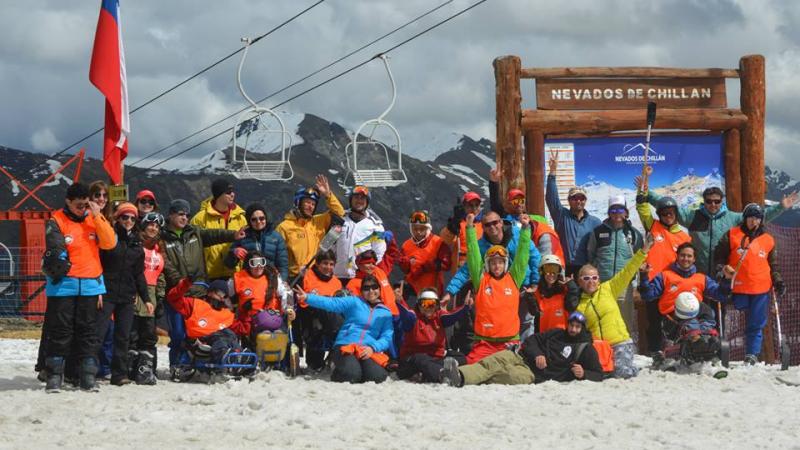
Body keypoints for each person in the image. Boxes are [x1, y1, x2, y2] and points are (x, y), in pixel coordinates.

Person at [636, 168, 798, 274]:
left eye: (716, 201)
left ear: (722, 202)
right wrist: (646, 192)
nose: (713, 204)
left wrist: (780, 207)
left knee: (720, 314)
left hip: (722, 273)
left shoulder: (732, 218)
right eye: (709, 201)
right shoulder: (693, 216)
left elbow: (756, 219)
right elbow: (668, 206)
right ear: (704, 201)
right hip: (696, 273)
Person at [40, 182, 117, 392]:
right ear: (67, 202)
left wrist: (98, 215)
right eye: (78, 205)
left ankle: (87, 377)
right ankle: (55, 375)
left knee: (88, 332)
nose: (82, 209)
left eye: (85, 204)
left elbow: (110, 243)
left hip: (91, 285)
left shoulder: (93, 219)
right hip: (64, 285)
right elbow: (56, 249)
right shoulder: (56, 220)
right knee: (61, 331)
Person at [442, 211, 540, 354]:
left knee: (525, 324)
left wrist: (535, 283)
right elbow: (470, 265)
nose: (492, 227)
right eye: (487, 225)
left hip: (520, 284)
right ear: (483, 227)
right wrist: (450, 292)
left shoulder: (517, 235)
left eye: (495, 222)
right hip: (493, 287)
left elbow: (527, 256)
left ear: (501, 222)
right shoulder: (482, 246)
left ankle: (526, 356)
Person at [161, 199, 243, 371]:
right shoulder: (163, 238)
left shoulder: (194, 233)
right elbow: (166, 264)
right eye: (181, 214)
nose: (185, 218)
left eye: (187, 215)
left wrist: (233, 235)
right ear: (171, 215)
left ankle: (197, 362)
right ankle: (177, 364)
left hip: (199, 292)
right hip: (177, 293)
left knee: (199, 330)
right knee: (178, 332)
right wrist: (180, 282)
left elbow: (214, 235)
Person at [569, 234, 654, 379]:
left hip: (619, 343)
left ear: (599, 279)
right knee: (602, 375)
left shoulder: (608, 288)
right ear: (579, 282)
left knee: (621, 374)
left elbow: (628, 270)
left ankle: (635, 364)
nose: (591, 281)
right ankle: (631, 361)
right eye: (586, 278)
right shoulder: (580, 305)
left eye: (594, 278)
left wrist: (644, 250)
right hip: (599, 347)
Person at [441, 311, 602, 387]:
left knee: (505, 375)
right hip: (520, 356)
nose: (573, 329)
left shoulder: (585, 349)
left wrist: (584, 373)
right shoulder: (557, 333)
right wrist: (538, 354)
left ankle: (465, 378)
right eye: (571, 325)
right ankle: (459, 375)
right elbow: (532, 340)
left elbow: (599, 374)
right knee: (492, 361)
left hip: (533, 374)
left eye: (577, 327)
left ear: (583, 328)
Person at [639, 242, 730, 366]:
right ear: (677, 256)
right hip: (673, 318)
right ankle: (696, 342)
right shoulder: (666, 276)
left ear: (694, 259)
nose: (685, 259)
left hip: (697, 314)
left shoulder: (701, 278)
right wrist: (644, 276)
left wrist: (727, 279)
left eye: (689, 256)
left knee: (706, 311)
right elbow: (648, 295)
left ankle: (707, 341)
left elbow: (720, 295)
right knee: (690, 320)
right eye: (682, 255)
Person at [714, 203, 784, 365]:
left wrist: (778, 280)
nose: (755, 221)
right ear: (745, 219)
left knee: (756, 322)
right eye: (751, 217)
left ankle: (751, 354)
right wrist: (720, 269)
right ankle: (721, 348)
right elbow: (719, 256)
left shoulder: (768, 239)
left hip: (761, 287)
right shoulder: (732, 234)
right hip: (737, 286)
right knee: (741, 311)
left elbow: (773, 265)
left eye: (758, 218)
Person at [294, 275, 394, 384]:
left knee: (377, 377)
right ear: (361, 291)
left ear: (379, 289)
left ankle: (354, 367)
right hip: (346, 346)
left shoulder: (385, 312)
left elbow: (386, 337)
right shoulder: (354, 302)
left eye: (374, 287)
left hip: (366, 350)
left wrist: (373, 348)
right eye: (366, 288)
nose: (370, 291)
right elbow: (331, 303)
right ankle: (337, 368)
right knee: (351, 375)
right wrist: (308, 297)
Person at [463, 212, 531, 364]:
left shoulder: (514, 278)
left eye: (500, 262)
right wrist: (469, 229)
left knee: (515, 374)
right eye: (493, 262)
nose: (497, 265)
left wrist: (526, 229)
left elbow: (522, 255)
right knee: (474, 368)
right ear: (487, 264)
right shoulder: (480, 280)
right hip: (484, 343)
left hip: (510, 343)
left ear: (506, 263)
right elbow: (473, 254)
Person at [96, 202, 152, 386]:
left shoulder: (137, 243)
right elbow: (98, 266)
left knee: (123, 335)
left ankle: (118, 374)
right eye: (124, 217)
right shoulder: (108, 238)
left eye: (132, 218)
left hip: (127, 295)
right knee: (99, 333)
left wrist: (146, 298)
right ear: (118, 218)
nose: (128, 221)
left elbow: (138, 274)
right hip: (107, 292)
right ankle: (90, 369)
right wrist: (97, 290)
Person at [586, 195, 644, 337]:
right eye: (613, 210)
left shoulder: (633, 233)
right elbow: (591, 254)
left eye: (620, 209)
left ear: (626, 212)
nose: (617, 213)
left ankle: (625, 351)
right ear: (608, 212)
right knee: (602, 318)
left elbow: (640, 258)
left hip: (624, 286)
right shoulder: (598, 232)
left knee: (624, 320)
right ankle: (603, 351)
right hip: (603, 285)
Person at [165, 278, 253, 371]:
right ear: (210, 292)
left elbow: (243, 329)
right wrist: (185, 284)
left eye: (224, 296)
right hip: (201, 340)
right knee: (222, 338)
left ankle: (241, 358)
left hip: (223, 337)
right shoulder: (195, 304)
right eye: (220, 293)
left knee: (230, 335)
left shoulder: (226, 313)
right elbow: (173, 298)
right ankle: (227, 358)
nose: (221, 298)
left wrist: (245, 312)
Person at [277, 174, 345, 280]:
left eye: (313, 204)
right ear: (298, 203)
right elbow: (277, 254)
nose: (311, 207)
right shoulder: (284, 227)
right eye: (307, 202)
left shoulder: (318, 221)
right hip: (295, 277)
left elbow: (340, 212)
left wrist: (328, 195)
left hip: (315, 275)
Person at [396, 288, 471, 383]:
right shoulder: (413, 317)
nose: (428, 307)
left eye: (432, 304)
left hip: (435, 358)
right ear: (418, 305)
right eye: (424, 304)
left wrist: (465, 307)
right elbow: (405, 315)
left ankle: (426, 373)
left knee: (460, 357)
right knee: (421, 358)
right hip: (411, 361)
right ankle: (443, 376)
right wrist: (400, 302)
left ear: (436, 305)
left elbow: (452, 316)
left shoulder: (440, 316)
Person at [488, 168, 564, 261]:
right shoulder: (504, 218)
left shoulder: (534, 220)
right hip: (509, 259)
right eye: (515, 200)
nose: (519, 203)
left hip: (528, 259)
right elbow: (495, 202)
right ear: (508, 203)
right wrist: (493, 182)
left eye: (521, 200)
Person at [545, 151, 601, 277]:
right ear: (569, 200)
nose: (578, 201)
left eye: (581, 198)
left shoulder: (595, 222)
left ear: (585, 200)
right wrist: (552, 172)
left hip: (586, 269)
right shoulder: (561, 216)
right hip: (564, 267)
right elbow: (551, 199)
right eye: (575, 198)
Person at [129, 211, 165, 385]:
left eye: (157, 226)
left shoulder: (160, 248)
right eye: (150, 224)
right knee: (132, 333)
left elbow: (161, 276)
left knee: (148, 334)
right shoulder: (136, 244)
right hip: (136, 293)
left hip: (152, 295)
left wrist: (160, 297)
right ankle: (130, 368)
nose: (153, 228)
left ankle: (145, 369)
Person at [190, 178, 247, 281]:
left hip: (235, 274)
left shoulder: (240, 218)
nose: (232, 194)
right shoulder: (199, 219)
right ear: (218, 195)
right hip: (209, 275)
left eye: (233, 191)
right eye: (228, 192)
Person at [298, 250, 344, 371]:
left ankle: (335, 353)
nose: (328, 267)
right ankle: (317, 360)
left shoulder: (337, 282)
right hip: (310, 316)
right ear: (317, 264)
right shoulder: (307, 276)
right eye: (324, 263)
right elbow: (301, 301)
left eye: (331, 264)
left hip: (333, 318)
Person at [332, 185, 386, 281]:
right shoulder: (340, 220)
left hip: (360, 277)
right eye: (356, 197)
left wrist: (367, 268)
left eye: (363, 198)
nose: (359, 200)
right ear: (350, 200)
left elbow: (379, 253)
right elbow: (329, 245)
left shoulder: (377, 226)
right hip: (336, 275)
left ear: (367, 202)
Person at [520, 254, 579, 341]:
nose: (551, 274)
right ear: (542, 271)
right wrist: (529, 297)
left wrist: (572, 286)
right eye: (547, 269)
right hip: (544, 338)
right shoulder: (537, 292)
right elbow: (535, 313)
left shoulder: (565, 290)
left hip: (562, 338)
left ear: (559, 272)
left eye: (554, 270)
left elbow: (572, 306)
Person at [225, 202, 289, 280]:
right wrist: (234, 253)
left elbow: (283, 265)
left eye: (262, 218)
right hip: (249, 281)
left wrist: (281, 282)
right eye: (254, 219)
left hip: (270, 280)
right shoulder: (242, 236)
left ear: (266, 218)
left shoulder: (276, 237)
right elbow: (229, 264)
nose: (258, 222)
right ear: (249, 221)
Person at [399, 210, 451, 299]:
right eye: (415, 229)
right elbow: (405, 269)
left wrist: (426, 267)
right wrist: (405, 263)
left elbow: (447, 264)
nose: (418, 232)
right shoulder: (406, 245)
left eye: (422, 228)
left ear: (428, 228)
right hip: (413, 288)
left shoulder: (438, 242)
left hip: (433, 289)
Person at [440, 191, 484, 273]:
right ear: (464, 206)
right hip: (461, 269)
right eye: (470, 205)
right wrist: (454, 222)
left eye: (477, 205)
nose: (474, 208)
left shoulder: (485, 224)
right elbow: (444, 240)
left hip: (481, 267)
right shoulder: (458, 224)